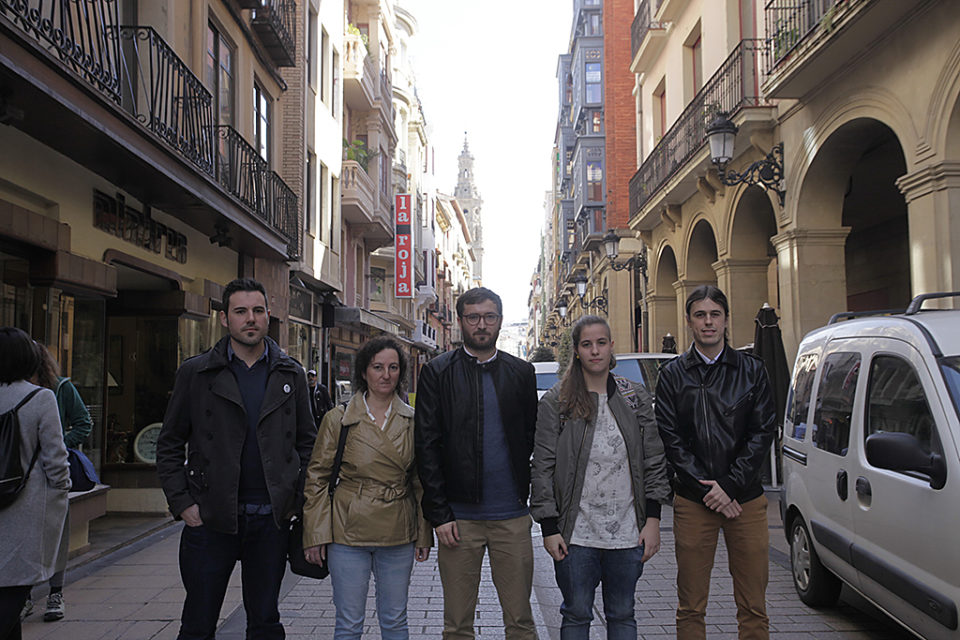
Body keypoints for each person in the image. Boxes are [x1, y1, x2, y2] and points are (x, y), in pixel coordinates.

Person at [156, 278, 316, 640]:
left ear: (268, 317)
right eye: (241, 311)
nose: (250, 319)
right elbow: (168, 443)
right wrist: (183, 504)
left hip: (271, 521)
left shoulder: (290, 373)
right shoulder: (196, 373)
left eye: (258, 311)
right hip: (211, 520)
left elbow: (309, 444)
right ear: (225, 318)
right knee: (197, 624)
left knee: (264, 622)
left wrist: (297, 501)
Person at [531, 315, 670, 639]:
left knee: (622, 615)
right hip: (575, 535)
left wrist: (653, 520)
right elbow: (542, 467)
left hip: (627, 533)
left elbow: (653, 459)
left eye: (601, 343)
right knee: (577, 614)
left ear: (611, 347)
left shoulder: (633, 398)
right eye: (587, 344)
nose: (595, 351)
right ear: (577, 351)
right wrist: (549, 528)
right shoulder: (558, 402)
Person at [415, 287, 539, 640]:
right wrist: (439, 514)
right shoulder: (437, 373)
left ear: (499, 320)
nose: (481, 325)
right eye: (473, 317)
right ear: (460, 321)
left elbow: (530, 438)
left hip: (512, 518)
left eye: (489, 317)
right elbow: (427, 445)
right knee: (457, 625)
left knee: (521, 622)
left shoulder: (521, 373)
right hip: (459, 521)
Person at [655, 285, 777, 640]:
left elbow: (762, 430)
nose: (708, 322)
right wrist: (708, 488)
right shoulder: (673, 374)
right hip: (695, 501)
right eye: (700, 315)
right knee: (690, 606)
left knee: (754, 605)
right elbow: (671, 438)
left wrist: (730, 486)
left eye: (715, 315)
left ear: (725, 320)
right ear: (689, 321)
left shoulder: (753, 371)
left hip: (745, 500)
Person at [302, 336, 432, 639]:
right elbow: (317, 478)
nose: (386, 375)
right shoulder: (339, 419)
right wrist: (315, 535)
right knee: (348, 623)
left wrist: (424, 533)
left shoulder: (415, 421)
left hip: (398, 532)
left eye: (393, 367)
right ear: (364, 372)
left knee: (395, 620)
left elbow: (419, 482)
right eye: (377, 367)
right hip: (347, 531)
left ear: (401, 372)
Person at [0, 328, 71, 640]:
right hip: (26, 505)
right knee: (16, 588)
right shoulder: (41, 398)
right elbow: (56, 459)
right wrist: (62, 491)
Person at [21, 344, 93, 622]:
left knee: (57, 533)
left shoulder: (60, 388)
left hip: (52, 472)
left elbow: (83, 422)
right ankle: (24, 596)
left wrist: (59, 445)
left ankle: (55, 592)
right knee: (25, 538)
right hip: (21, 476)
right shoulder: (12, 389)